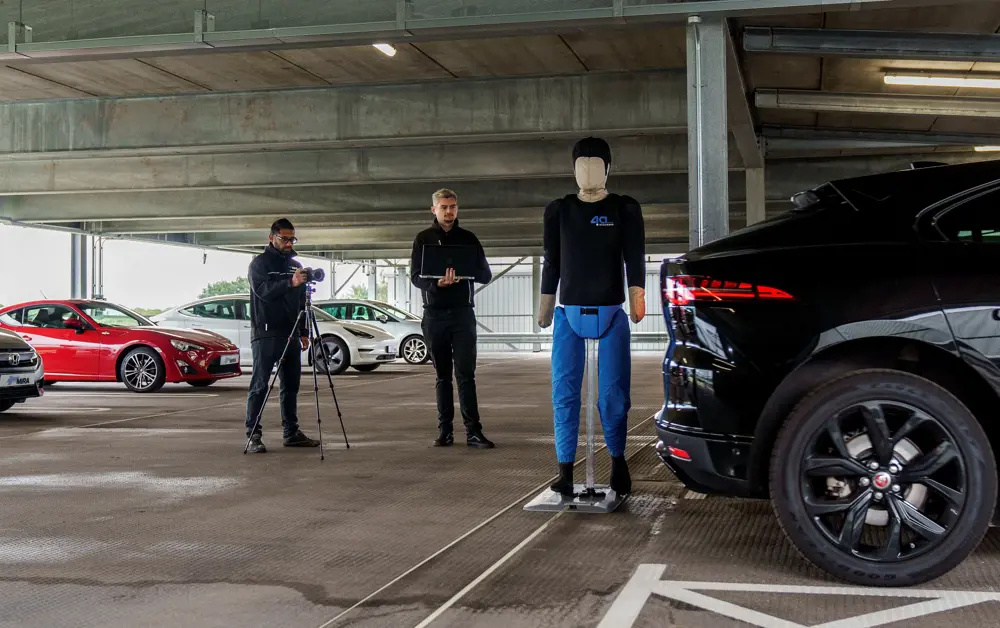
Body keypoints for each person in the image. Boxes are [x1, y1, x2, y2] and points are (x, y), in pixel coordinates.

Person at [410, 189, 495, 449]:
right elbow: (415, 277)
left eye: (453, 207)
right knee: (442, 376)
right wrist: (436, 284)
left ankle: (473, 432)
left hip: (462, 314)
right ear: (433, 209)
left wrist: (465, 274)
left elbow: (486, 275)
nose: (449, 211)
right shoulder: (423, 239)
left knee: (466, 375)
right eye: (444, 207)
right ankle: (445, 432)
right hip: (434, 315)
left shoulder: (469, 239)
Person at [244, 218, 321, 453]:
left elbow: (301, 301)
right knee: (260, 385)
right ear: (271, 237)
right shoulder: (259, 264)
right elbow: (263, 292)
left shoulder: (294, 264)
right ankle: (253, 434)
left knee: (291, 386)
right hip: (266, 333)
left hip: (291, 333)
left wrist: (304, 331)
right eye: (284, 239)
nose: (288, 243)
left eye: (292, 239)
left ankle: (291, 432)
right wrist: (291, 281)